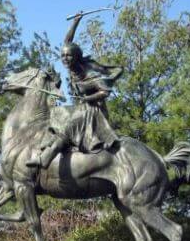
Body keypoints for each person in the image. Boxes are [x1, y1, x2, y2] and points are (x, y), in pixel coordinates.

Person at [26, 12, 123, 168]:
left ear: (76, 57)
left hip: (94, 112)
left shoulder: (89, 74)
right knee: (57, 113)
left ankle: (46, 158)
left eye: (68, 56)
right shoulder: (71, 68)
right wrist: (76, 22)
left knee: (67, 125)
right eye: (63, 56)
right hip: (83, 107)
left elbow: (105, 92)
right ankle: (47, 146)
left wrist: (87, 99)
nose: (65, 59)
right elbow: (67, 41)